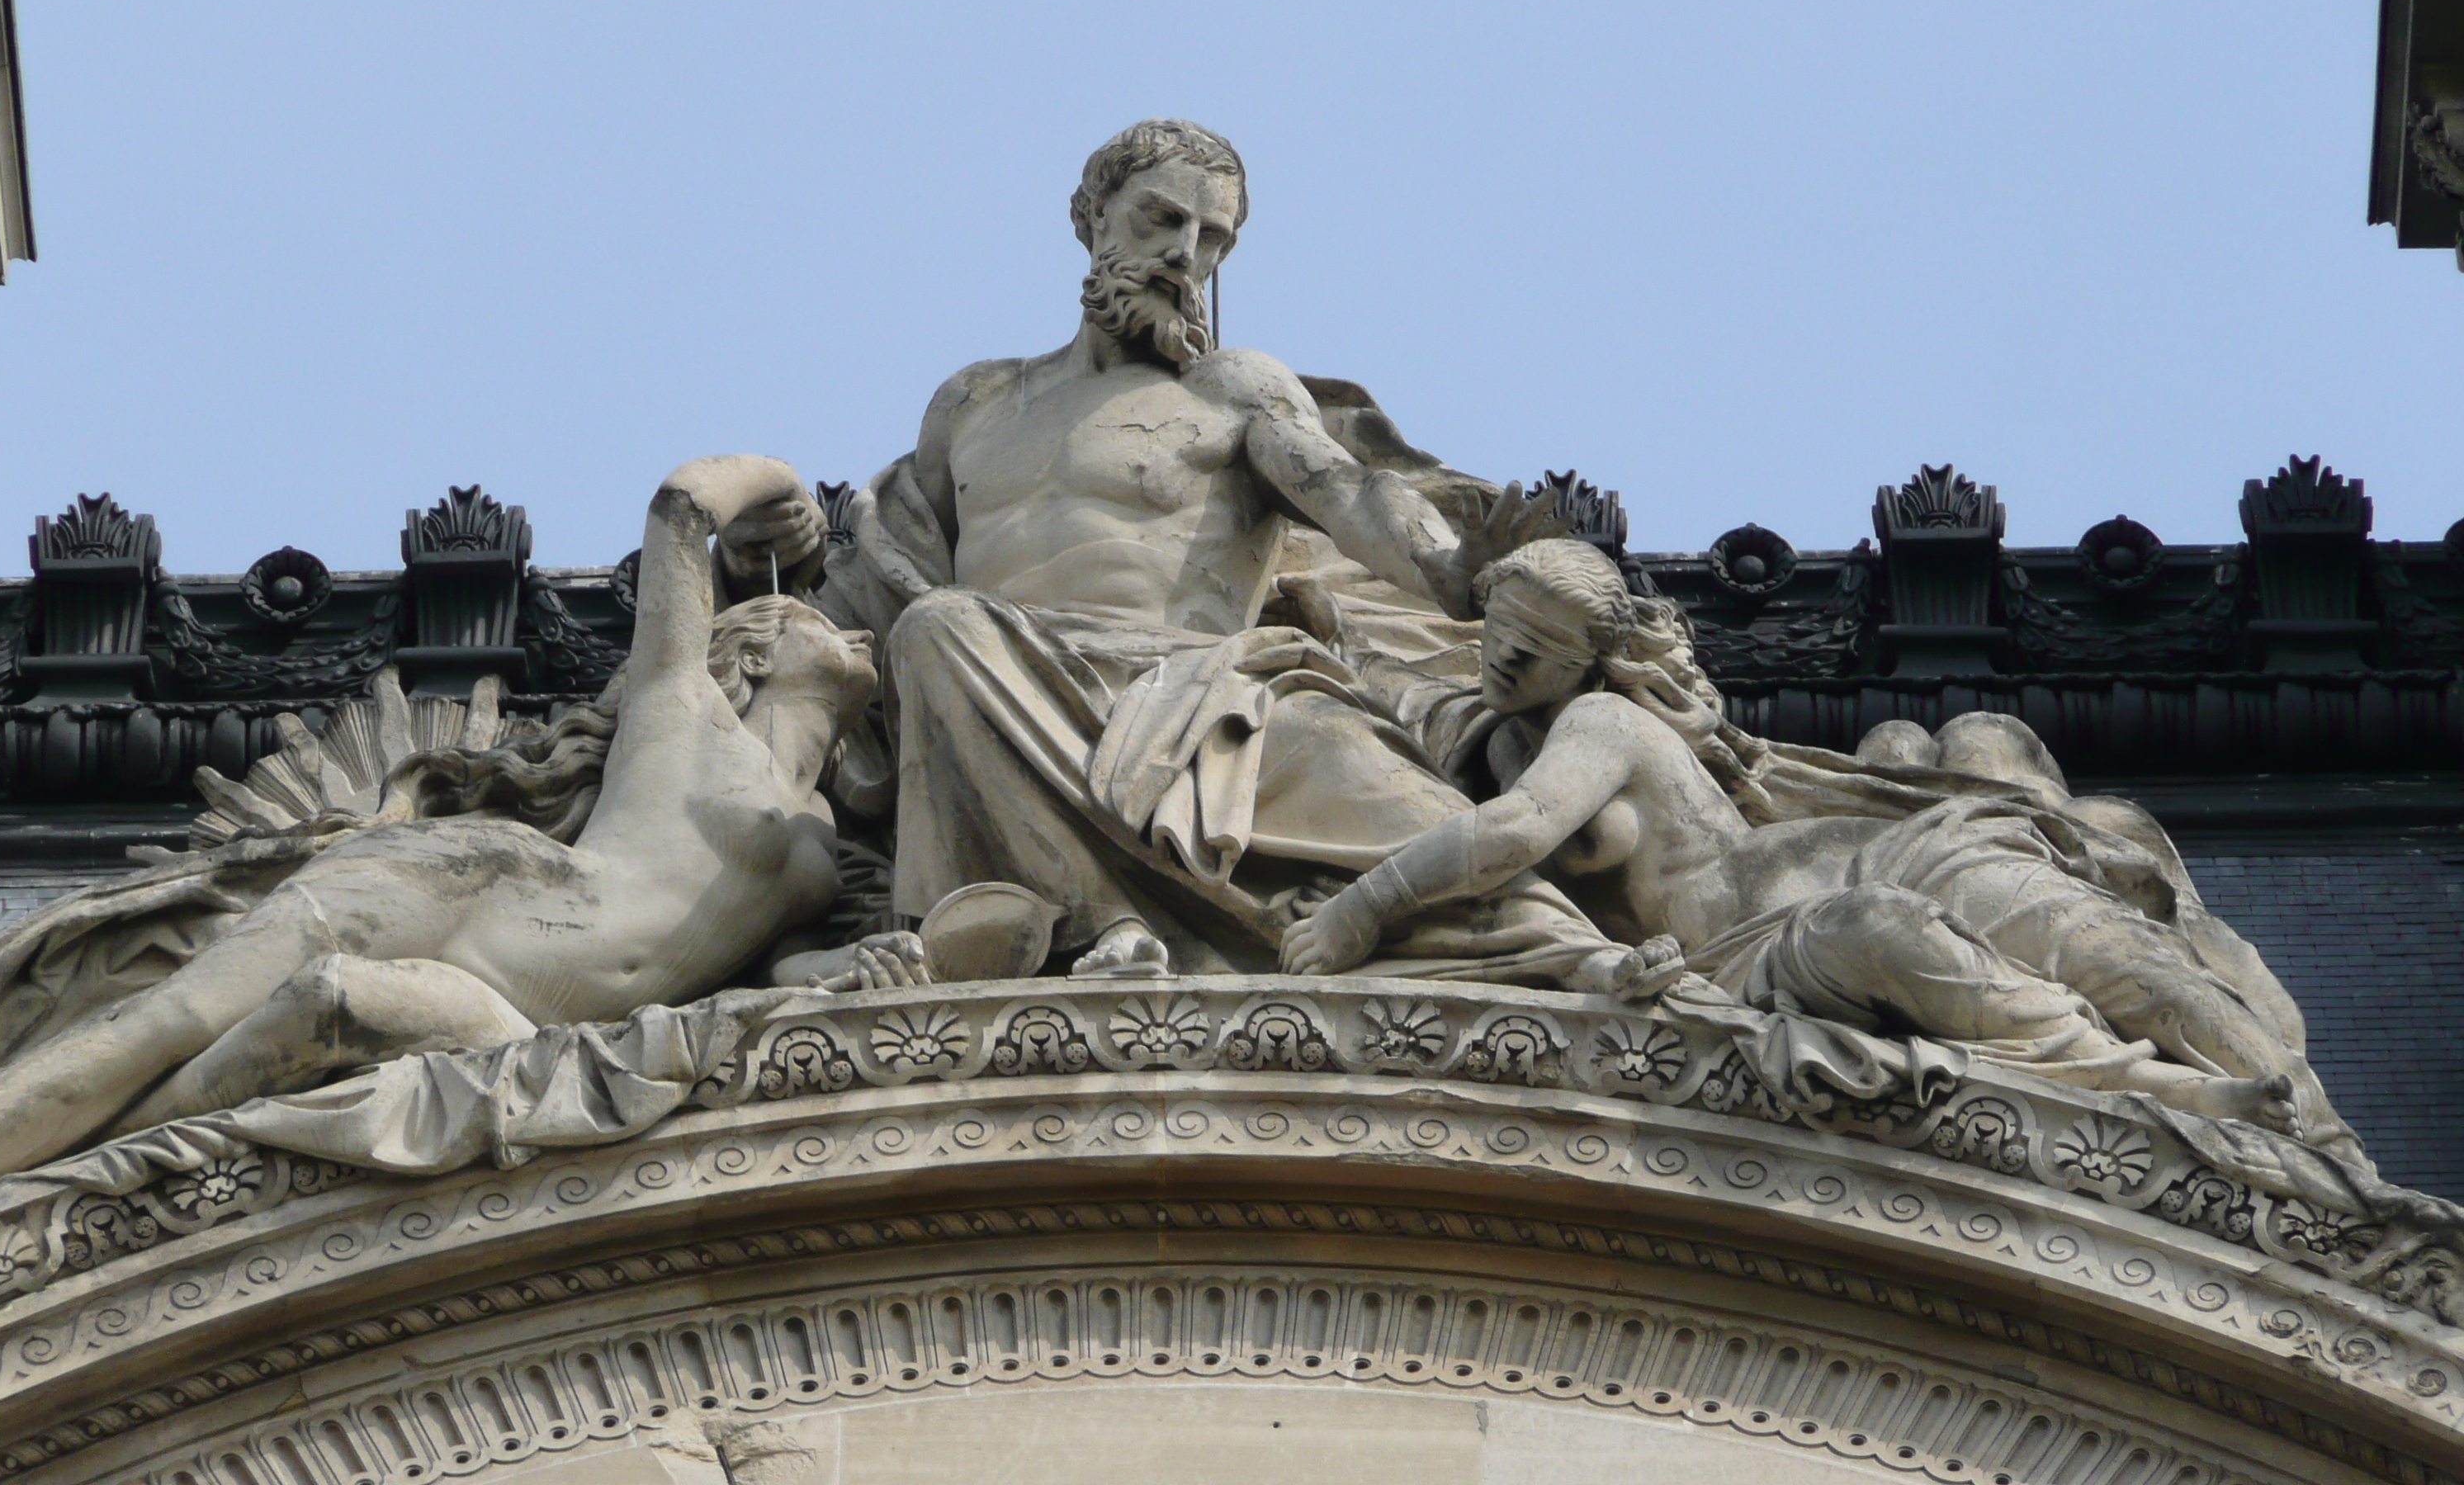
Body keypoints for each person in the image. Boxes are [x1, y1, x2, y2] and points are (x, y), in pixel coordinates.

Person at [0, 455, 881, 1213]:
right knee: (173, 1019)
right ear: (754, 647)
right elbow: (682, 506)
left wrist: (853, 978)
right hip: (477, 885)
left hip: (513, 1014)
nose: (859, 635)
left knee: (227, 1078)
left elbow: (772, 966)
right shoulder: (685, 708)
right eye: (824, 626)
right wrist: (779, 488)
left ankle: (36, 1187)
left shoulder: (822, 832)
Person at [811, 118, 1598, 982]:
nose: (1185, 253)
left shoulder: (1236, 389)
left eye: (1213, 236)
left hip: (1190, 689)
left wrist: (1449, 568)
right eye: (1160, 218)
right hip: (999, 684)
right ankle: (1105, 921)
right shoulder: (974, 400)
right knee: (938, 627)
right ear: (1090, 216)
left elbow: (1345, 494)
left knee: (1491, 882)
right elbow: (884, 574)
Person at [1281, 537, 2365, 1158]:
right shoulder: (1489, 729)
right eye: (1500, 629)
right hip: (1766, 951)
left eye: (1543, 646)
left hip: (1896, 852)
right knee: (1892, 944)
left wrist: (1359, 911)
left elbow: (1514, 834)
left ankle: (2330, 1157)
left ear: (1593, 664)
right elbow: (1403, 716)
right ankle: (2165, 1095)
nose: (1509, 656)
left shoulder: (1605, 724)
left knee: (2114, 956)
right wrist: (1328, 635)